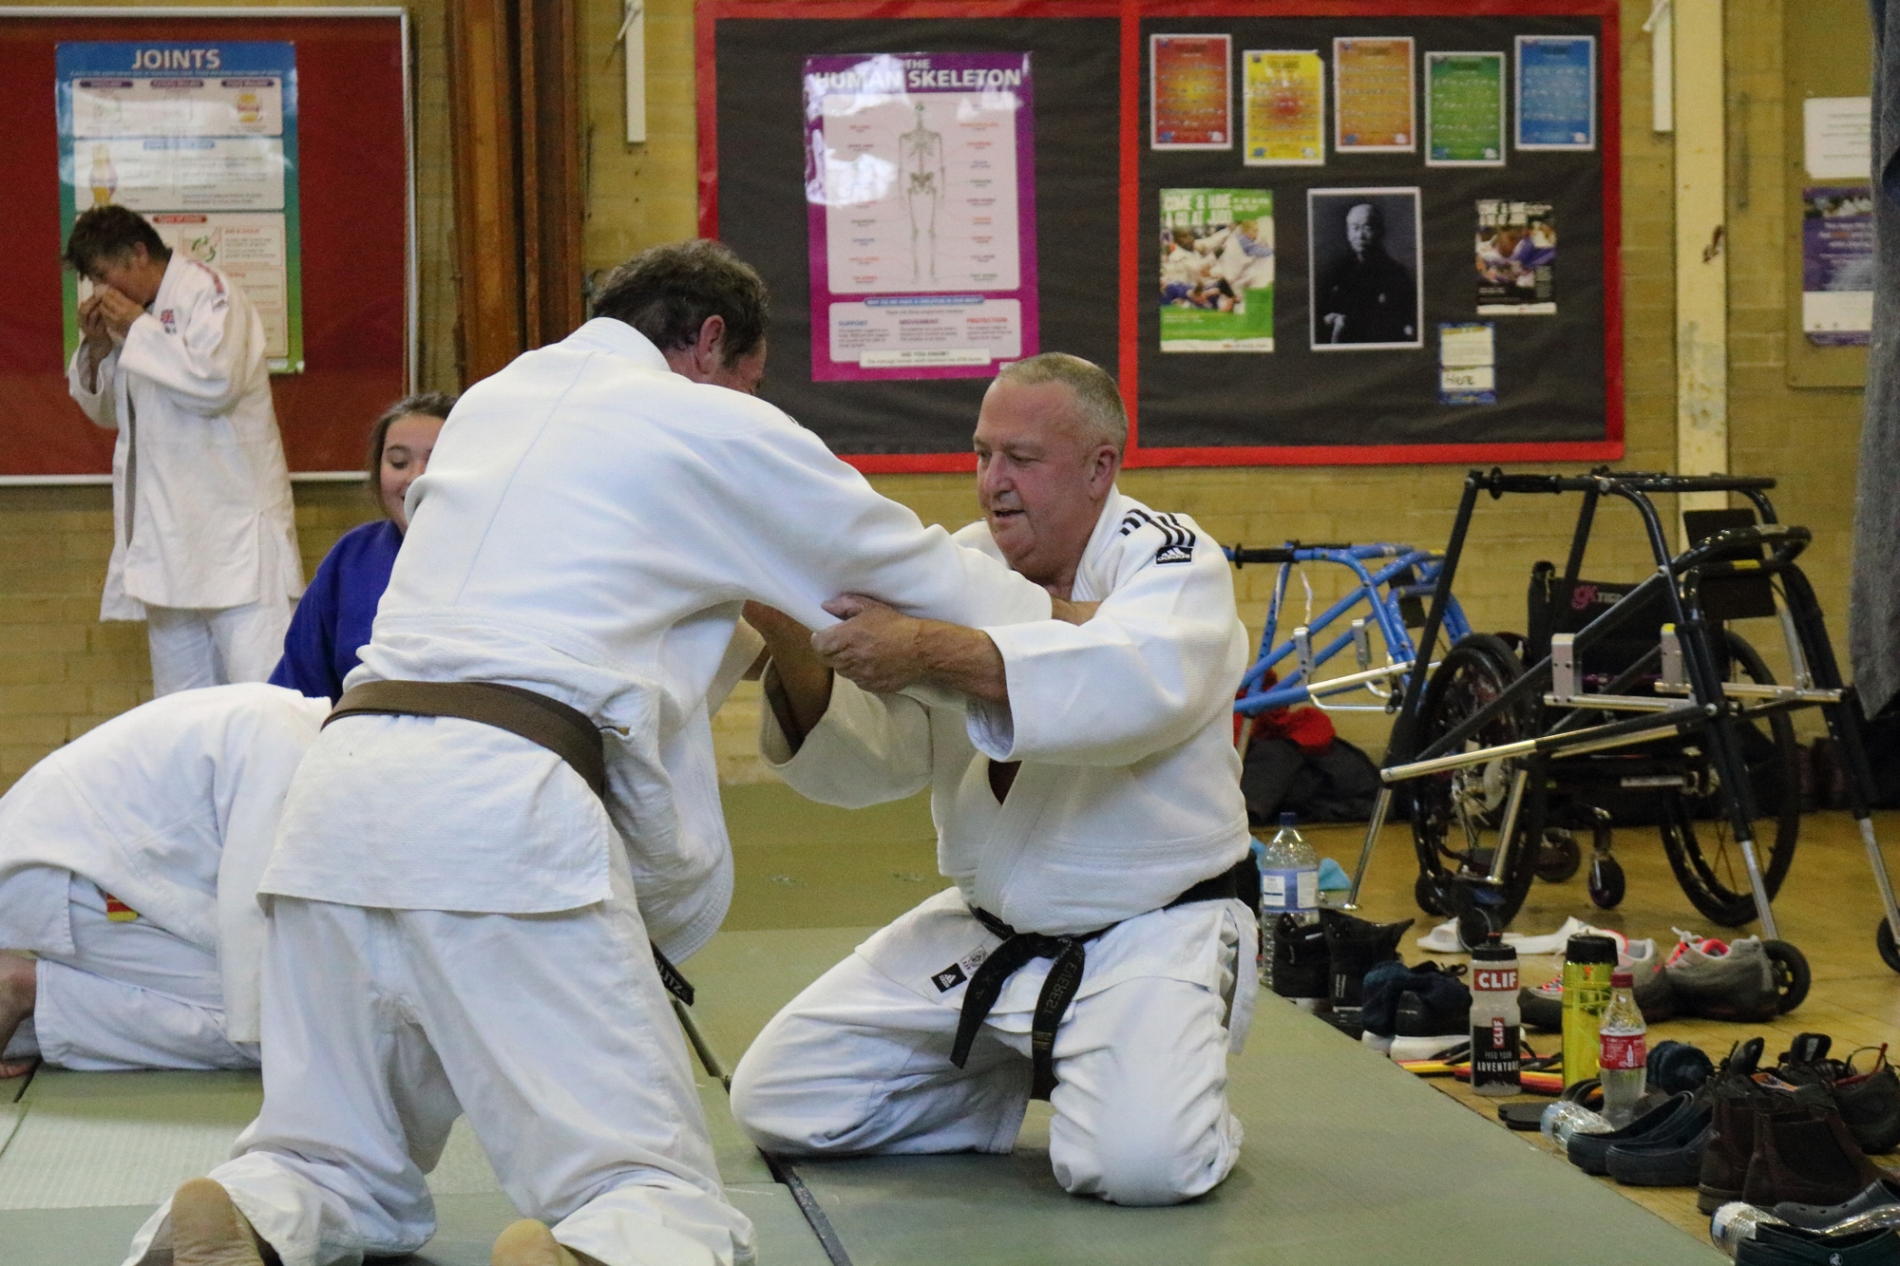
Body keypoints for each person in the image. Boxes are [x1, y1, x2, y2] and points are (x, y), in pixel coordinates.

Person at [129, 239, 1070, 1266]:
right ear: (711, 343)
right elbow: (929, 582)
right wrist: (1090, 625)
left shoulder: (495, 401)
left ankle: (255, 1206)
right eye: (751, 376)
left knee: (330, 1141)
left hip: (334, 793)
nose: (752, 395)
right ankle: (605, 1251)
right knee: (641, 1181)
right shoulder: (709, 419)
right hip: (498, 801)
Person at [728, 352, 1259, 1207]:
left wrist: (931, 647)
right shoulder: (963, 567)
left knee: (1140, 1172)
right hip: (992, 933)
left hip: (1147, 933)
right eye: (981, 454)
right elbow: (887, 757)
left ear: (1100, 467)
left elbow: (1135, 688)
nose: (992, 482)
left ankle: (1161, 1085)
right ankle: (1004, 1075)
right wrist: (789, 631)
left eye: (1021, 457)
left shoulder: (1169, 559)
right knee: (784, 1104)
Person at [0, 684, 331, 1079]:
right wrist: (274, 1024)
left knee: (288, 1020)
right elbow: (254, 911)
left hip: (85, 865)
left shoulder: (283, 716)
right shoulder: (288, 743)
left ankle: (24, 1014)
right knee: (282, 1036)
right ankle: (23, 986)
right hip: (71, 871)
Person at [63, 206, 303, 696]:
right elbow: (109, 412)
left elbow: (215, 385)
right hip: (168, 544)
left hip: (235, 546)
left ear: (138, 253)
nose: (101, 293)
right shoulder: (131, 323)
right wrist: (96, 347)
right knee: (182, 715)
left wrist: (137, 327)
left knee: (263, 701)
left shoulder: (209, 293)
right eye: (93, 283)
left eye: (106, 277)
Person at [269, 393, 457, 701]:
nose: (416, 477)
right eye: (398, 462)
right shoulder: (351, 558)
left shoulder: (505, 559)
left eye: (436, 460)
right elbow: (298, 689)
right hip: (355, 741)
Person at [1314, 201, 1418, 345]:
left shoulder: (1395, 273)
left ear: (1380, 231)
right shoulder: (1335, 270)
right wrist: (1327, 319)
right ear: (1347, 232)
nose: (1360, 235)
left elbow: (1405, 323)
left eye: (1367, 228)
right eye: (1354, 228)